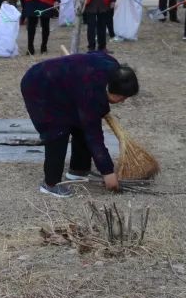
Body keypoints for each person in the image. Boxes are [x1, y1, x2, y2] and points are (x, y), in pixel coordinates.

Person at [20, 51, 139, 198]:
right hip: (39, 86)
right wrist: (108, 172)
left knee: (80, 125)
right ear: (111, 89)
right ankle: (51, 184)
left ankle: (78, 169)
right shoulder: (90, 94)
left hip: (66, 87)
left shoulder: (111, 68)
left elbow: (91, 57)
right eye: (121, 97)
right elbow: (94, 137)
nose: (123, 101)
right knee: (57, 132)